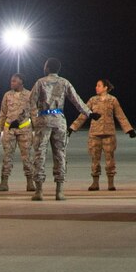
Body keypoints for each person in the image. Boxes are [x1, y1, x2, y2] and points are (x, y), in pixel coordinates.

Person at [27, 57, 89, 201]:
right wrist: (90, 113)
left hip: (43, 120)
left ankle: (39, 191)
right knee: (60, 155)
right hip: (59, 120)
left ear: (47, 68)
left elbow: (31, 102)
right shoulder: (64, 82)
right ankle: (59, 191)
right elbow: (77, 100)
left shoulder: (40, 82)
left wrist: (32, 119)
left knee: (40, 154)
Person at [77, 78, 136, 191]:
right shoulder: (92, 100)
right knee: (95, 159)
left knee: (110, 159)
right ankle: (95, 183)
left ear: (105, 88)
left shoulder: (112, 100)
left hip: (109, 133)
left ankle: (110, 183)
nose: (96, 87)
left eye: (99, 85)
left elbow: (120, 115)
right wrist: (73, 127)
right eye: (96, 85)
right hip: (95, 134)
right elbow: (83, 115)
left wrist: (129, 129)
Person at [0, 73, 36, 193]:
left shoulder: (29, 95)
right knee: (7, 157)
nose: (11, 83)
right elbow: (3, 112)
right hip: (9, 130)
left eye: (14, 81)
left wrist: (37, 130)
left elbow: (33, 112)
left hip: (25, 130)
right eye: (11, 81)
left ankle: (30, 182)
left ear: (21, 81)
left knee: (27, 157)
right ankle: (4, 182)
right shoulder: (7, 95)